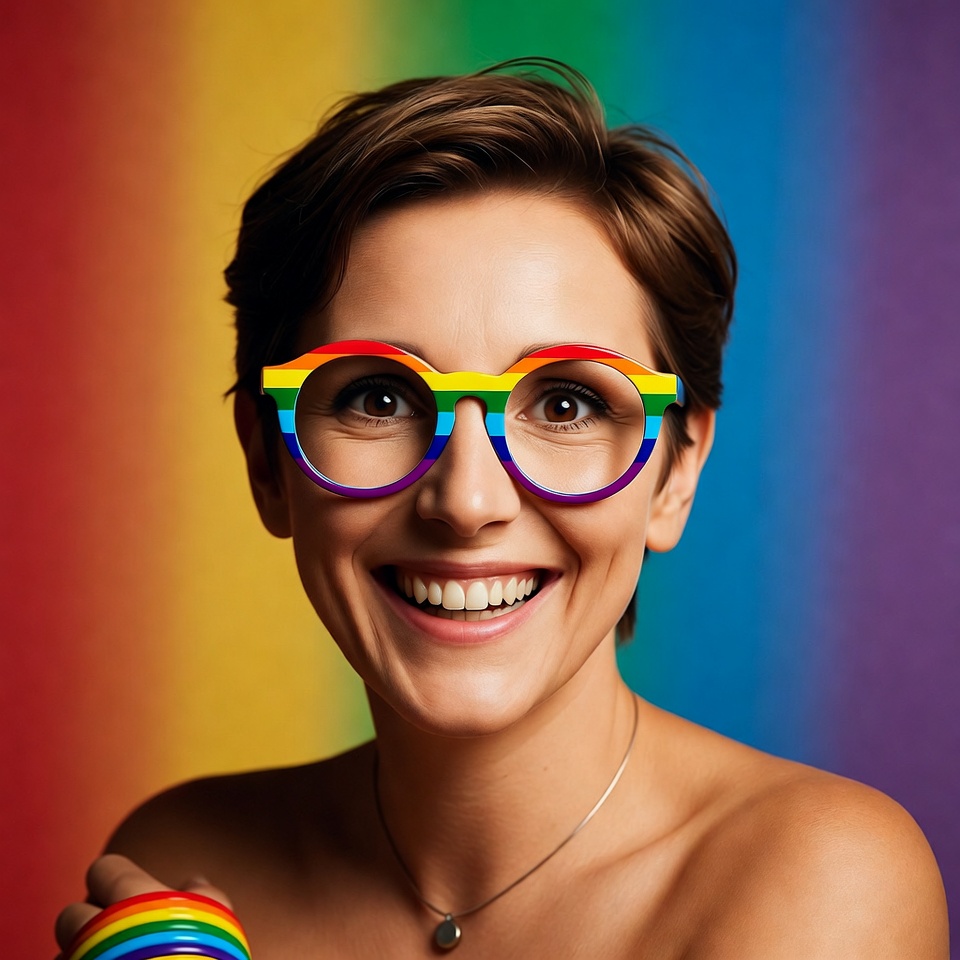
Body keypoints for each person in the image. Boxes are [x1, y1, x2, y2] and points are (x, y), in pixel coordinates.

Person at [55, 61, 948, 959]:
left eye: (566, 405)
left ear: (677, 471)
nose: (467, 500)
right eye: (378, 399)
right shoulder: (181, 862)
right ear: (266, 459)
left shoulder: (824, 879)